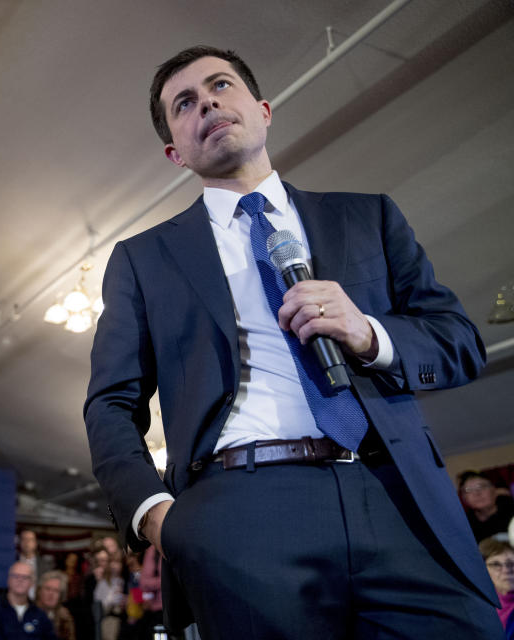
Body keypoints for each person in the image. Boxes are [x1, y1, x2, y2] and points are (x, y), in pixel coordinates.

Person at [83, 44, 502, 639]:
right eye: (185, 103)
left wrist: (368, 332)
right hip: (242, 512)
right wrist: (155, 516)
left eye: (220, 86)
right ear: (175, 153)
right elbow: (110, 402)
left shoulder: (369, 218)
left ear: (263, 109)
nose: (207, 102)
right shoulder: (143, 260)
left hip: (398, 498)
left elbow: (459, 342)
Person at [0, 561, 56, 640]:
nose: (20, 580)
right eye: (16, 576)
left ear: (32, 582)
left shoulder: (39, 614)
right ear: (8, 580)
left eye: (25, 577)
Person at [460, 471, 514, 542]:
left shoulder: (511, 510)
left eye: (482, 486)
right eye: (469, 489)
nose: (477, 493)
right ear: (464, 498)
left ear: (494, 490)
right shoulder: (465, 527)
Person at [480, 539, 514, 638]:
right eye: (496, 564)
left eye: (511, 563)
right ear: (483, 569)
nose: (506, 570)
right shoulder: (477, 607)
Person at [34, 571, 74, 640]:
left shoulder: (64, 618)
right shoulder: (29, 613)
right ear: (39, 591)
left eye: (56, 591)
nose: (51, 594)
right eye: (48, 589)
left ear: (61, 596)